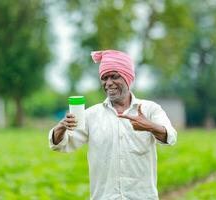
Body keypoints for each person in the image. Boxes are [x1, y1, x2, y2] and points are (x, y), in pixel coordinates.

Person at [48, 50, 177, 200]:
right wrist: (61, 127)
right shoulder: (91, 115)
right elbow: (62, 144)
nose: (108, 83)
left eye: (114, 76)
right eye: (104, 78)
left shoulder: (150, 109)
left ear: (128, 78)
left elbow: (171, 136)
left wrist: (150, 126)